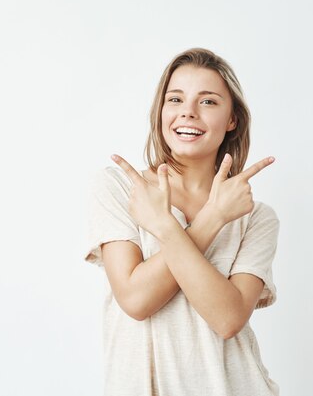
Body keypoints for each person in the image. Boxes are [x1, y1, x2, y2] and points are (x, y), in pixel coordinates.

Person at [85, 47, 280, 396]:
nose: (187, 113)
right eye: (175, 99)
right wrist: (212, 219)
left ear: (232, 119)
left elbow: (228, 319)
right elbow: (136, 300)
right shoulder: (120, 189)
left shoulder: (255, 218)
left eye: (207, 102)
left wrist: (168, 226)